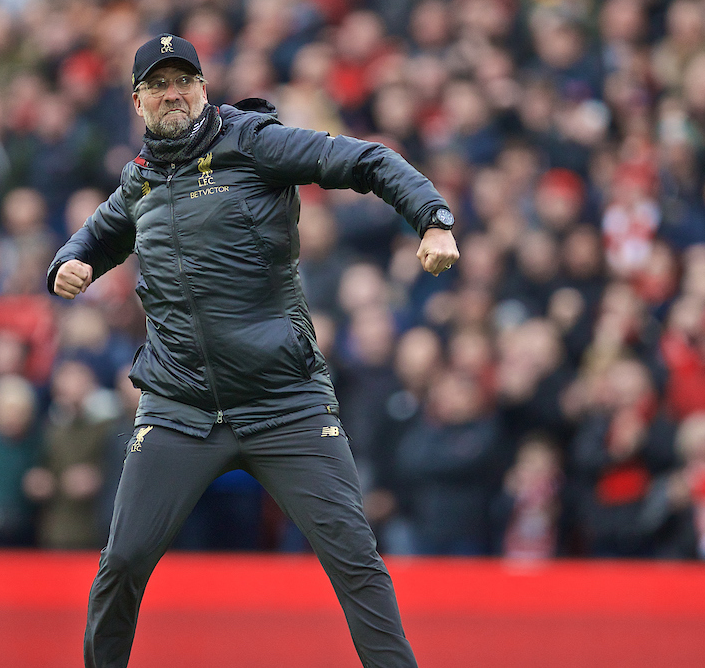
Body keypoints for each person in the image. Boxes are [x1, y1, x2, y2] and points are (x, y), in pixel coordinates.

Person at [48, 35, 459, 668]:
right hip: (180, 409)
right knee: (122, 563)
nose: (173, 93)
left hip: (283, 401)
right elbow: (94, 238)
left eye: (184, 80)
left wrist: (432, 218)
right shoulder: (140, 181)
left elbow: (369, 160)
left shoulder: (255, 143)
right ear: (138, 102)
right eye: (158, 85)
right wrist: (67, 263)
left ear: (204, 88)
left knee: (355, 560)